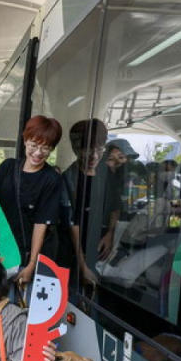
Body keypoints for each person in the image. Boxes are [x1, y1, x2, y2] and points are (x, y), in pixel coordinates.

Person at [0, 115, 63, 289]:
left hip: (22, 256)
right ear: (25, 140)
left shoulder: (51, 179)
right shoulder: (7, 167)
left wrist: (31, 264)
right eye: (34, 145)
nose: (38, 153)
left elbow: (41, 224)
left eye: (46, 148)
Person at [57, 119, 118, 286]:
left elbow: (114, 206)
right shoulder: (68, 179)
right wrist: (83, 266)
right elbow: (72, 222)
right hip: (74, 251)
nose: (94, 156)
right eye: (87, 150)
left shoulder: (107, 175)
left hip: (99, 249)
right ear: (76, 150)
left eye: (99, 149)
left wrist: (110, 233)